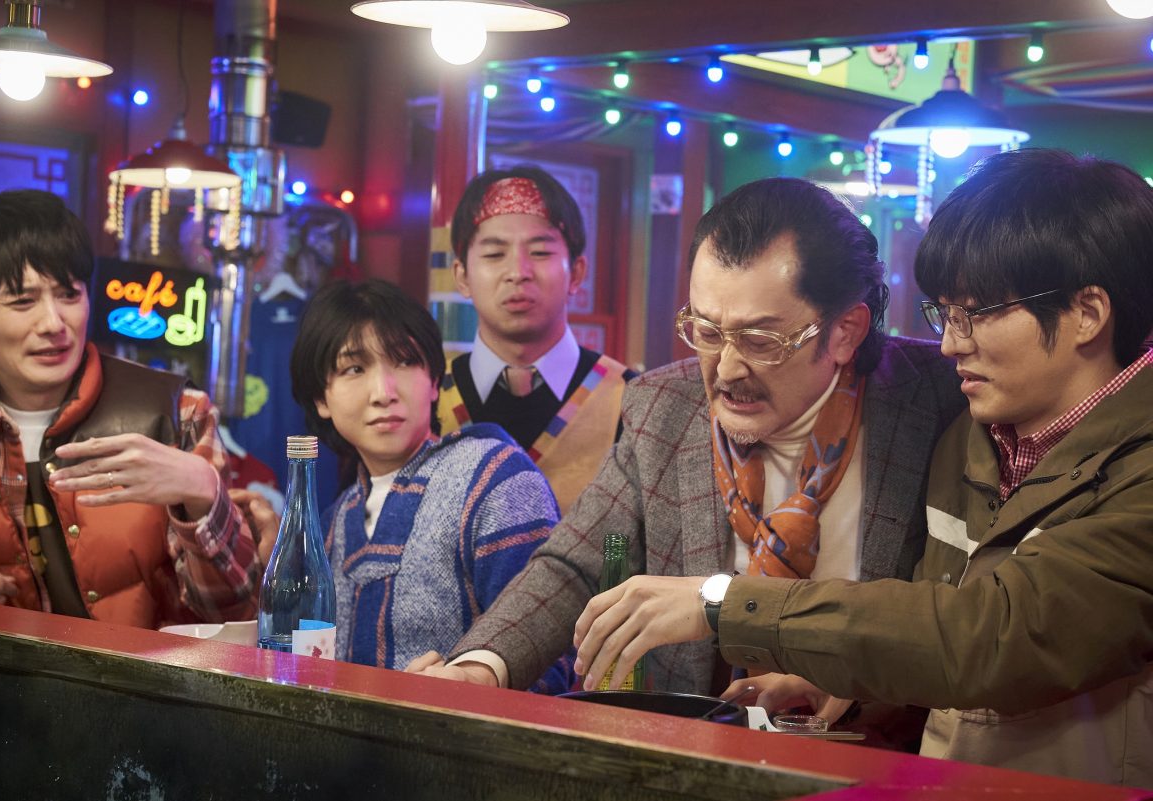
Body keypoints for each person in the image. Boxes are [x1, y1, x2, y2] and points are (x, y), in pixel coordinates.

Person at [572, 150, 1153, 788]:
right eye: (945, 314)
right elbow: (932, 637)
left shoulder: (1137, 469)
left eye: (977, 313)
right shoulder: (971, 440)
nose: (951, 343)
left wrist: (722, 602)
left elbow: (995, 636)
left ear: (1087, 314)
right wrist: (843, 686)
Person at [409, 178, 965, 718]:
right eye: (707, 332)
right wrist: (481, 667)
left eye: (759, 340)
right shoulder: (664, 407)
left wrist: (854, 674)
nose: (726, 370)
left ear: (845, 331)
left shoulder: (938, 400)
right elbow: (573, 564)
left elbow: (968, 623)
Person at [0, 189, 259, 628]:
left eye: (69, 295)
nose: (53, 324)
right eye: (22, 302)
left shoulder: (175, 410)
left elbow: (235, 611)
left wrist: (202, 491)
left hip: (139, 673)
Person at [289, 278, 569, 691]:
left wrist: (467, 685)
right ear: (321, 399)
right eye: (354, 369)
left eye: (404, 362)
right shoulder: (332, 522)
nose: (384, 392)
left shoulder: (496, 480)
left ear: (435, 381)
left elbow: (551, 656)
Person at [439, 166, 637, 512]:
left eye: (541, 252)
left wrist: (610, 547)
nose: (518, 272)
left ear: (576, 273)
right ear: (462, 276)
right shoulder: (428, 398)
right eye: (494, 254)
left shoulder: (631, 401)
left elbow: (632, 537)